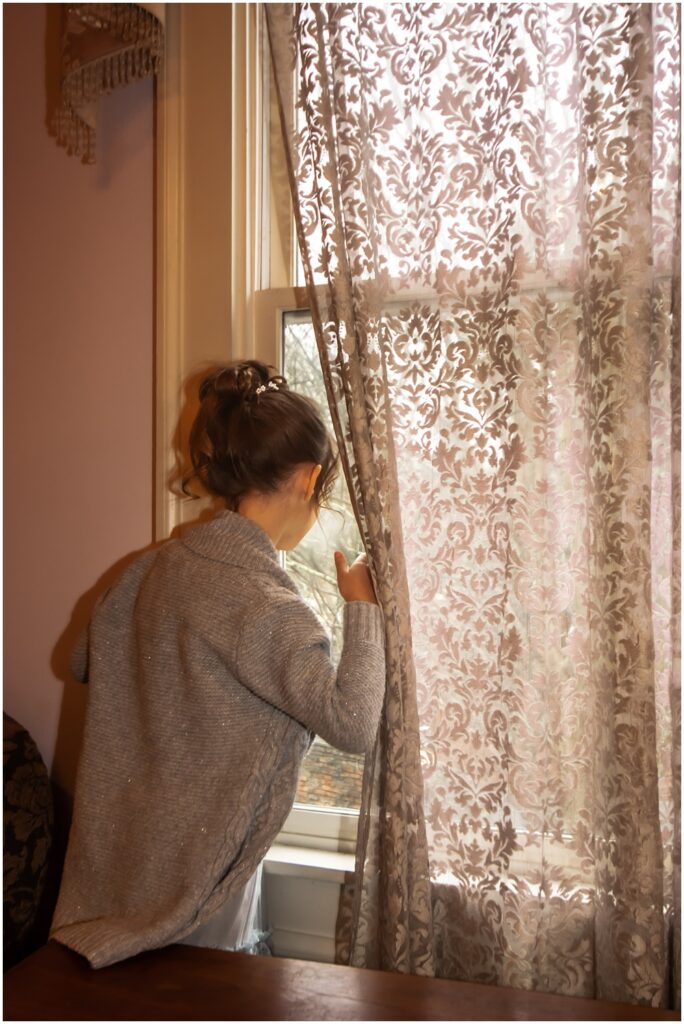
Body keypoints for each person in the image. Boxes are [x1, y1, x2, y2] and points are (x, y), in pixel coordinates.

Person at [50, 361, 386, 969]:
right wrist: (361, 607)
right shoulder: (267, 606)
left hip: (116, 869)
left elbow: (79, 658)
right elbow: (355, 723)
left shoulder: (149, 569)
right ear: (310, 479)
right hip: (197, 892)